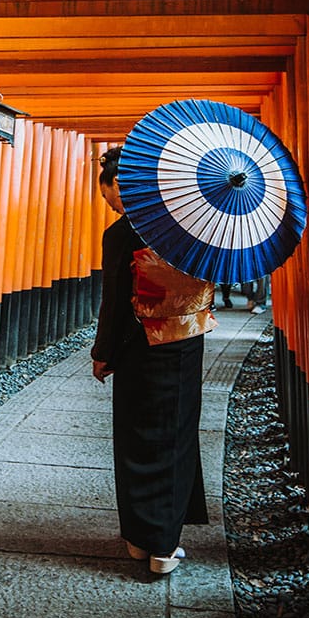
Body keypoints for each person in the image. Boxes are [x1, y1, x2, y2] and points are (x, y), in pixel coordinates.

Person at [89, 146, 216, 576]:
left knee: (135, 437)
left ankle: (139, 539)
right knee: (176, 436)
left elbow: (113, 301)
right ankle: (165, 545)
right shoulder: (191, 226)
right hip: (181, 342)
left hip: (135, 343)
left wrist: (103, 353)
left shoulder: (121, 234)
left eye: (114, 198)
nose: (116, 206)